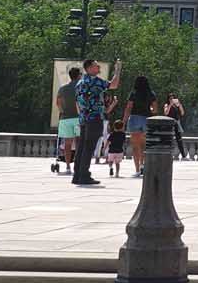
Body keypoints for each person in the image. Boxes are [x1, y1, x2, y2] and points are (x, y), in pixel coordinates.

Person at [72, 59, 120, 187]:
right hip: (94, 118)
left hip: (83, 118)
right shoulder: (95, 81)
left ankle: (77, 175)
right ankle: (84, 175)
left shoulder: (79, 83)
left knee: (81, 147)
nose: (98, 67)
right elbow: (113, 85)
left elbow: (77, 102)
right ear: (88, 68)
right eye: (95, 65)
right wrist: (118, 70)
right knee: (89, 147)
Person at [121, 76, 156, 177]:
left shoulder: (133, 93)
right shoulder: (151, 93)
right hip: (147, 119)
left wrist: (123, 122)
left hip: (135, 119)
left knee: (136, 147)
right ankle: (143, 166)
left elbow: (128, 108)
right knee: (144, 146)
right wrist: (149, 108)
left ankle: (137, 170)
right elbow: (155, 109)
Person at [52, 67, 81, 175]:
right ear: (79, 75)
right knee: (79, 143)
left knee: (67, 144)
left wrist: (62, 111)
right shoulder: (81, 87)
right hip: (78, 118)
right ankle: (78, 165)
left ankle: (68, 166)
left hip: (66, 118)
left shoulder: (62, 89)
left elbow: (58, 103)